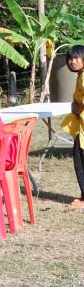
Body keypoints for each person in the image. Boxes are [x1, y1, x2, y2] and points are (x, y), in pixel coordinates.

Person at [61, 45, 84, 210]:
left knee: (80, 161)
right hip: (81, 125)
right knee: (79, 159)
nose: (72, 61)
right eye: (70, 58)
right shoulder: (80, 75)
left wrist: (78, 107)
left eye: (76, 57)